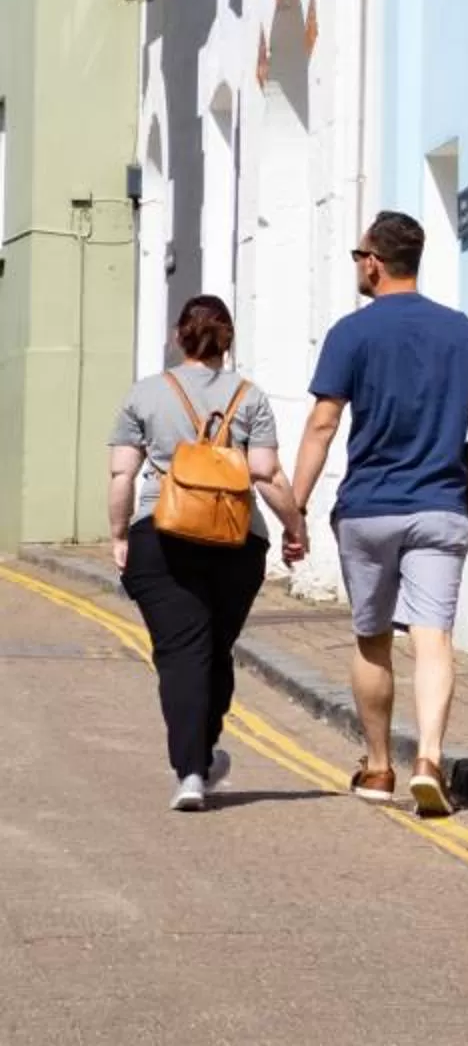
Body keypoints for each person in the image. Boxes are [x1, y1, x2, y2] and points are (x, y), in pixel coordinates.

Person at [290, 210, 468, 817]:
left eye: (359, 256)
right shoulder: (462, 332)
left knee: (372, 637)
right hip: (442, 507)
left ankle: (378, 767)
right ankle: (429, 759)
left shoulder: (351, 334)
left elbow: (323, 424)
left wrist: (295, 506)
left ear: (375, 263)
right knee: (434, 639)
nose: (358, 265)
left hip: (369, 510)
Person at [109, 294, 310, 810]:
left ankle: (192, 771)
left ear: (178, 336)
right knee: (215, 649)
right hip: (236, 540)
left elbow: (122, 475)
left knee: (181, 652)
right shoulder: (250, 396)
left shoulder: (145, 394)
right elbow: (266, 473)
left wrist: (119, 535)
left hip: (161, 533)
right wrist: (295, 527)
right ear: (229, 340)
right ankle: (200, 755)